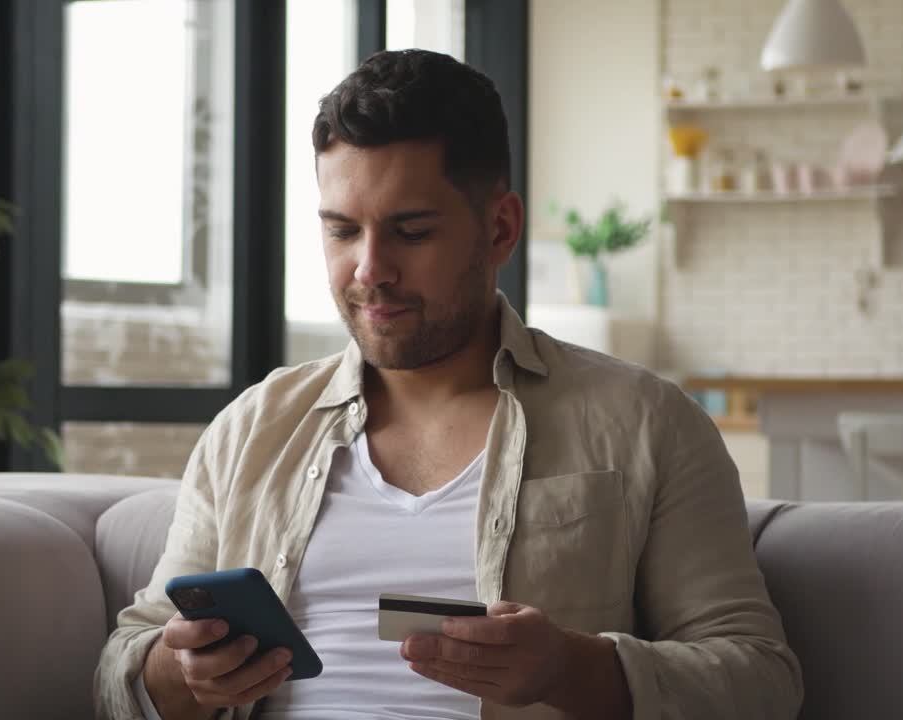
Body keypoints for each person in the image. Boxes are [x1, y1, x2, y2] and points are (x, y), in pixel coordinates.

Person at [95, 49, 802, 720]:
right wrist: (179, 674)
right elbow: (124, 668)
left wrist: (572, 669)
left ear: (499, 229)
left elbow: (761, 680)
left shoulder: (647, 422)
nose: (370, 269)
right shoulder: (253, 428)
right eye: (342, 232)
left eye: (411, 231)